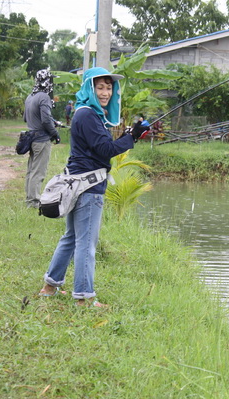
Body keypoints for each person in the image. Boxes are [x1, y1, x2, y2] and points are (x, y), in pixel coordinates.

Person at [37, 67, 150, 308]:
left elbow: (99, 146)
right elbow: (106, 150)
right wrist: (133, 137)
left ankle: (50, 286)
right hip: (88, 187)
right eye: (100, 87)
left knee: (72, 238)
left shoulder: (88, 114)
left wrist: (130, 134)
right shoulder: (88, 115)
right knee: (86, 243)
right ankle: (84, 298)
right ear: (90, 88)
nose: (105, 92)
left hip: (78, 183)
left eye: (109, 87)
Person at [24, 69, 61, 208]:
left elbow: (26, 118)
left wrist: (53, 121)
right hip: (41, 139)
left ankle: (29, 198)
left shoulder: (30, 97)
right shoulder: (44, 97)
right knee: (38, 171)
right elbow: (45, 120)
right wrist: (55, 134)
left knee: (31, 170)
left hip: (31, 137)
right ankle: (33, 202)